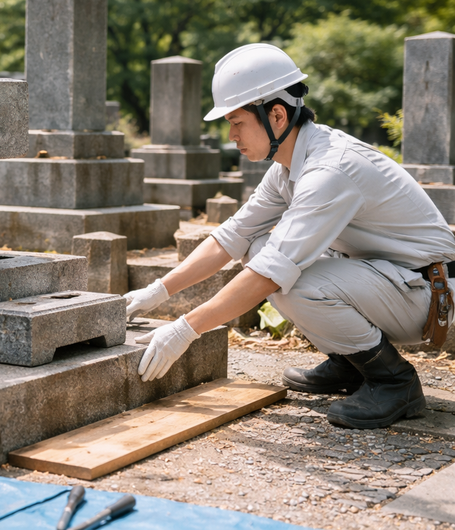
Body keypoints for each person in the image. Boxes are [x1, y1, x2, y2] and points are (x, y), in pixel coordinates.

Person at [125, 43, 455, 429]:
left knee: (289, 281)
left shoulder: (330, 170)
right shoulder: (288, 167)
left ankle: (394, 382)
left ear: (277, 115)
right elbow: (233, 236)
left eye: (237, 122)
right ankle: (352, 363)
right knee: (257, 248)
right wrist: (157, 291)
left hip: (433, 295)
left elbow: (271, 273)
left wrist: (186, 329)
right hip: (396, 283)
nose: (231, 135)